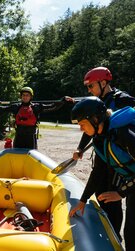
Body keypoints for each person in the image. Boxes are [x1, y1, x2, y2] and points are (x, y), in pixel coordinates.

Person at [71, 66, 135, 239]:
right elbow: (98, 169)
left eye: (91, 86)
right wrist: (83, 200)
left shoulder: (122, 106)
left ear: (103, 82)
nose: (89, 90)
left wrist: (120, 193)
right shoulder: (99, 135)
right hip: (119, 163)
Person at [0, 87, 74, 149]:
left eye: (27, 95)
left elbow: (53, 106)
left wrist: (63, 100)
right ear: (21, 97)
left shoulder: (36, 107)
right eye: (23, 95)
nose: (25, 97)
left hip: (30, 137)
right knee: (17, 155)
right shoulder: (16, 107)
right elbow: (3, 108)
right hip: (19, 136)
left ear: (31, 97)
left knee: (31, 155)